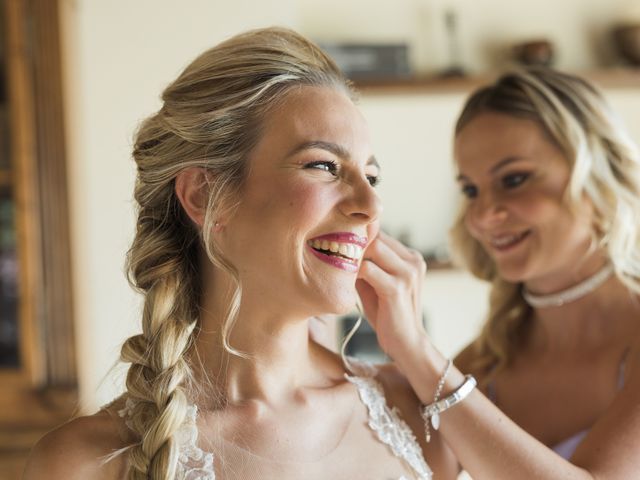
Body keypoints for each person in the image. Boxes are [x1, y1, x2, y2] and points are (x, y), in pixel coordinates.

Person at [23, 27, 457, 480]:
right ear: (206, 197)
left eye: (372, 176)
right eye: (324, 166)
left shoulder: (419, 409)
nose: (371, 206)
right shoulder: (84, 463)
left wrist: (420, 353)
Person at [375, 67, 640, 479]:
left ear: (596, 174)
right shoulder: (485, 364)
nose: (483, 215)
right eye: (471, 190)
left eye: (514, 179)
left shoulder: (452, 378)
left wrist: (416, 351)